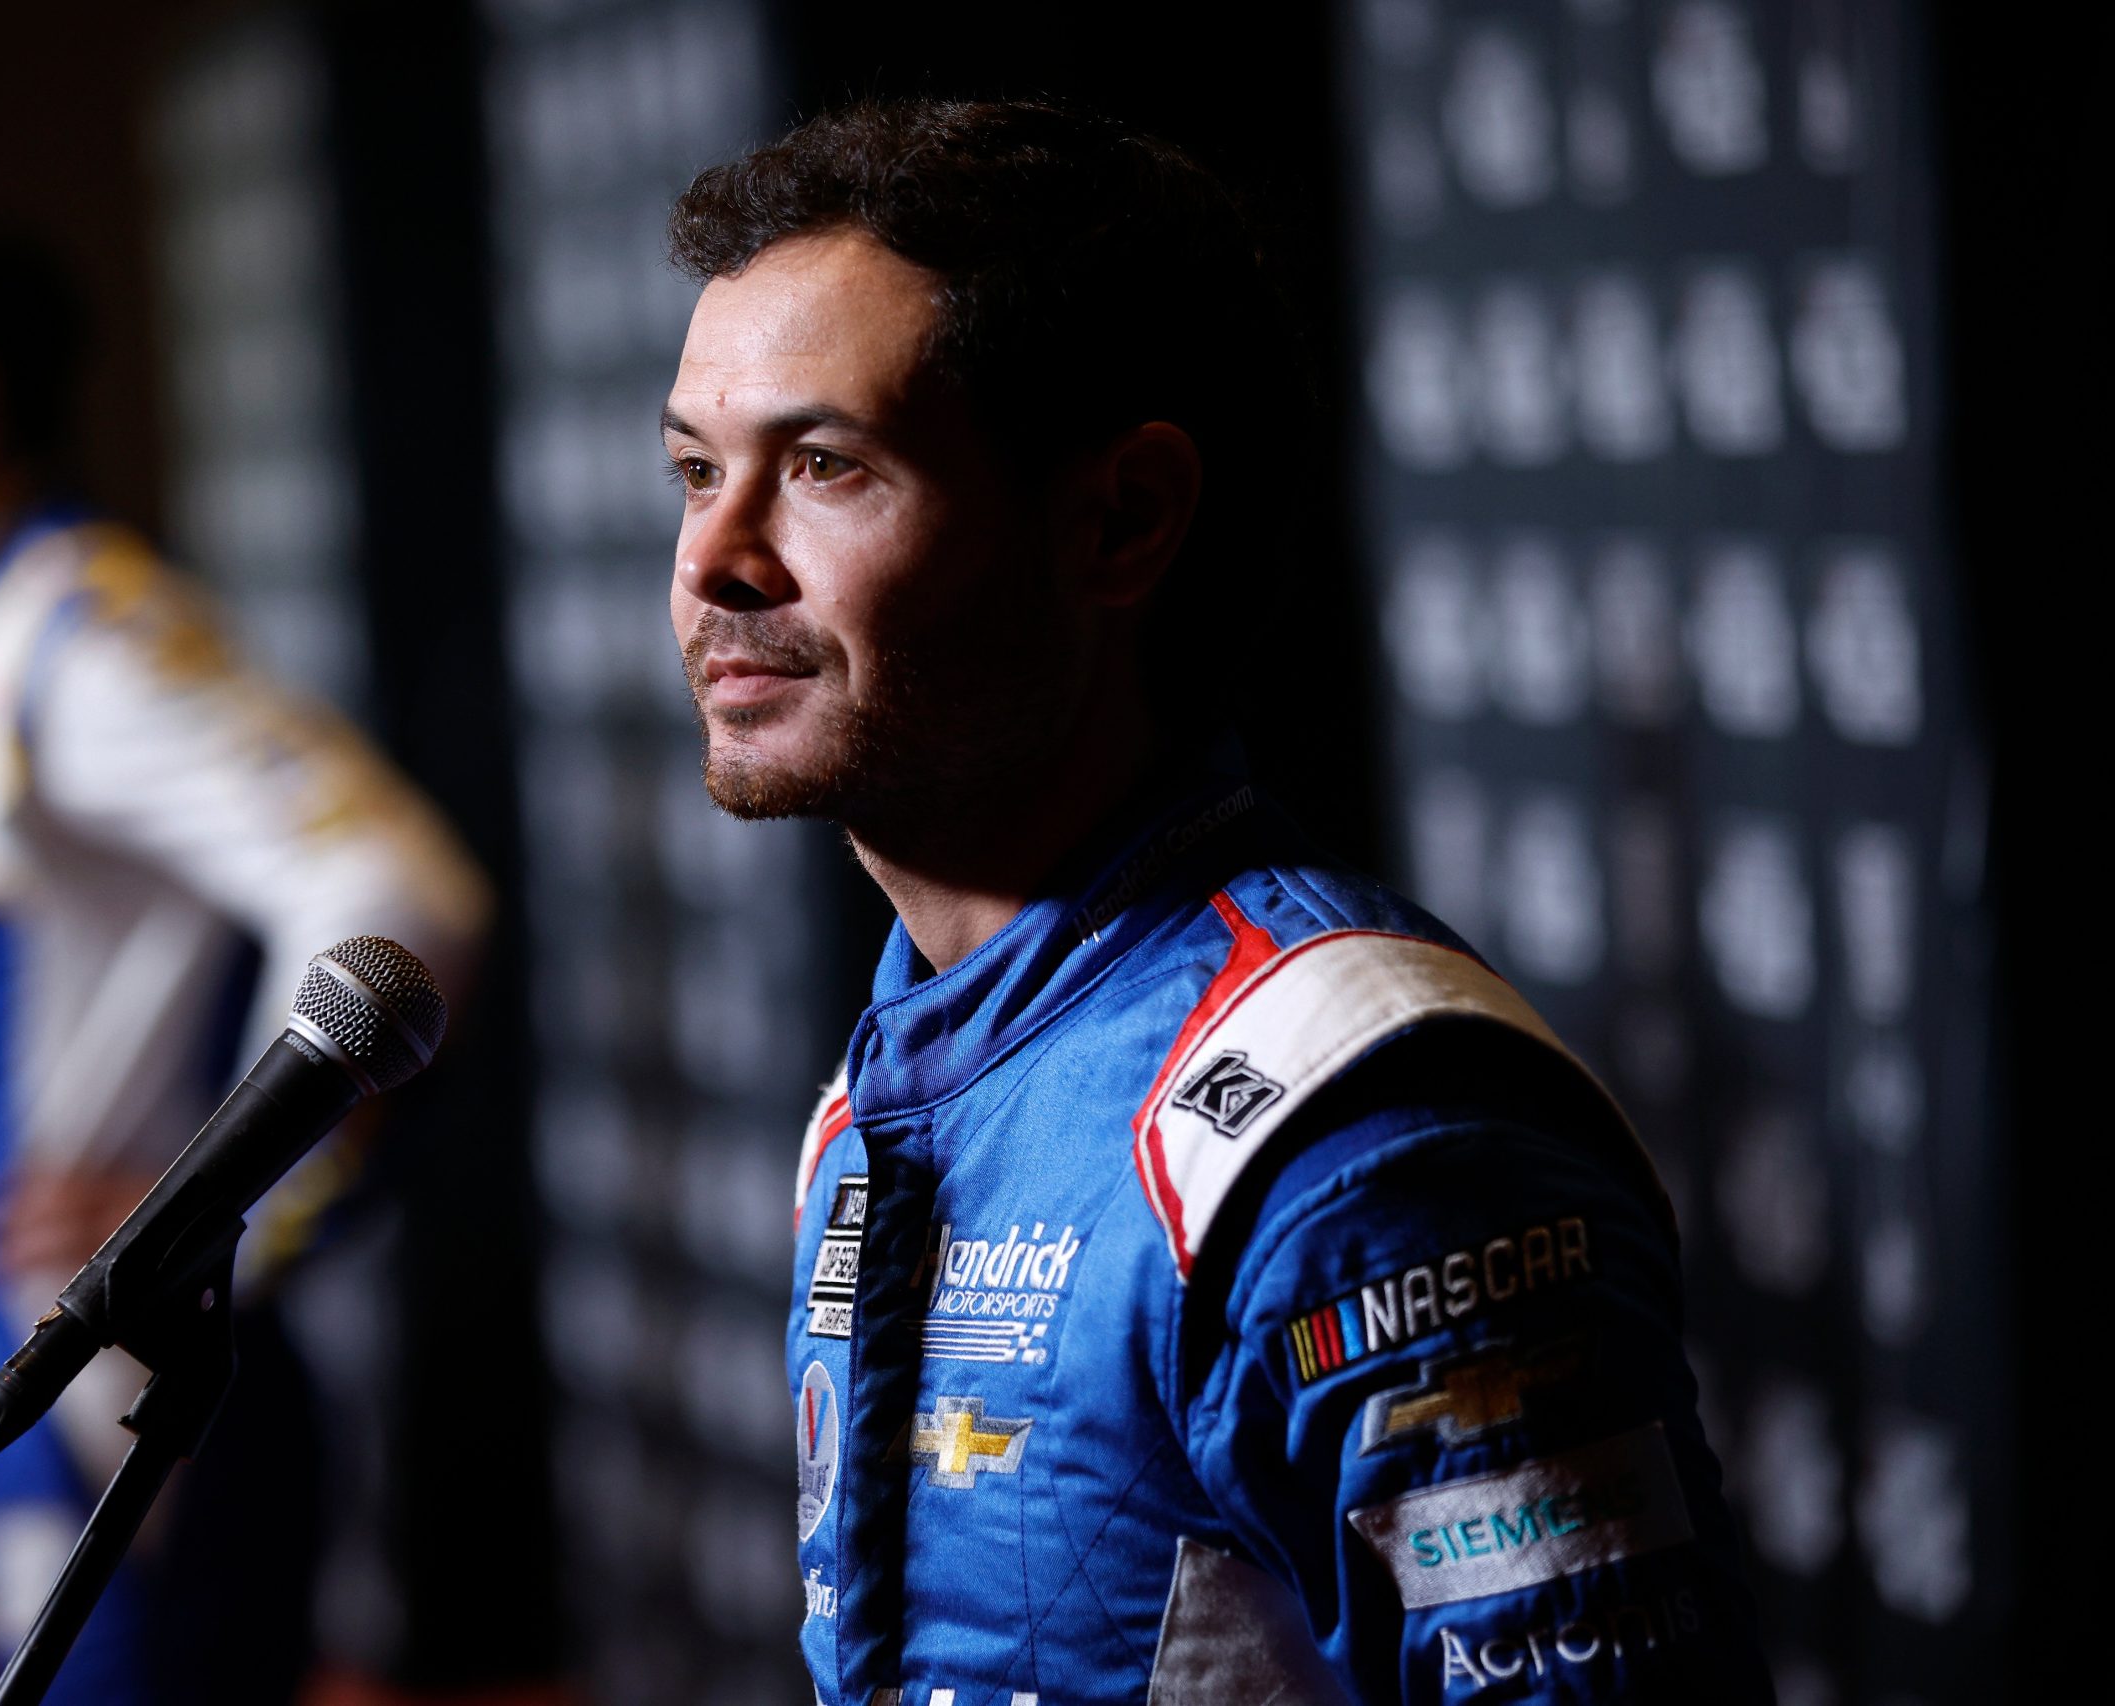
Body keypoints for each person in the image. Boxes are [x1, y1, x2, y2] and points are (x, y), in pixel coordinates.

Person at [661, 101, 1772, 1704]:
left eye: (826, 466)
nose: (715, 558)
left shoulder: (1355, 1136)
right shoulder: (891, 1078)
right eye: (698, 469)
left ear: (1120, 520)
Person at [0, 200, 493, 1704]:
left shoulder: (78, 632)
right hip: (12, 1368)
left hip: (124, 1412)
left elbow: (396, 877)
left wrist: (227, 1189)